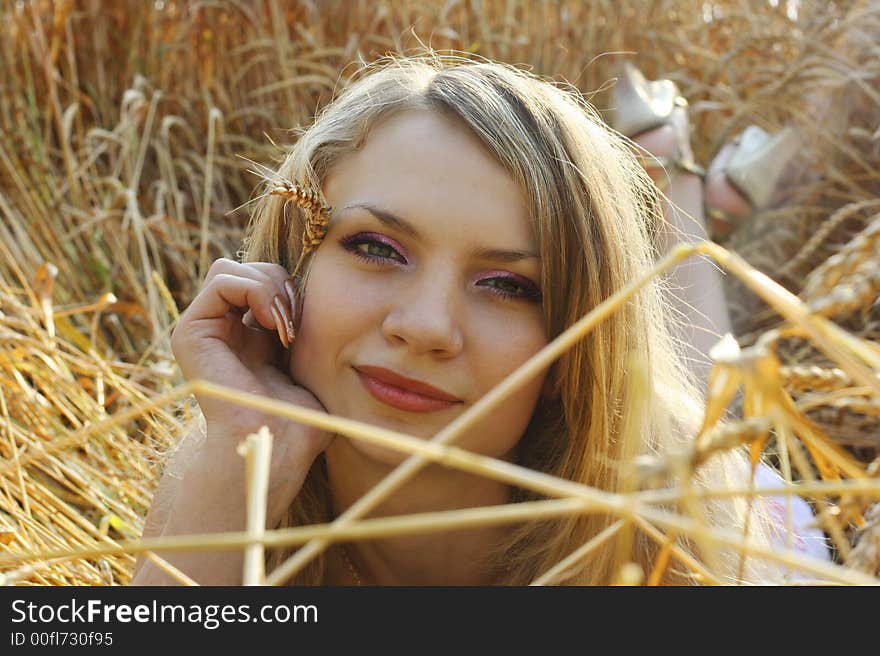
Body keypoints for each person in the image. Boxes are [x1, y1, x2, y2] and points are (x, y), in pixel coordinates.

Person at [131, 53, 826, 586]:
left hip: (709, 490)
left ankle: (674, 171)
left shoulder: (691, 559)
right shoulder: (221, 478)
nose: (428, 326)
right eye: (376, 247)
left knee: (703, 399)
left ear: (575, 346)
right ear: (292, 263)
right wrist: (242, 462)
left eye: (509, 285)